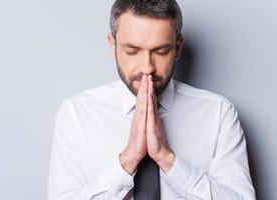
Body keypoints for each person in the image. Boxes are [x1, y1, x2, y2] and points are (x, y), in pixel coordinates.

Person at [48, 0, 256, 199]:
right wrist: (128, 161)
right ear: (113, 46)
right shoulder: (77, 114)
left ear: (178, 47)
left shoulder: (218, 113)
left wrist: (168, 159)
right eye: (132, 51)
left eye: (161, 51)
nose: (147, 67)